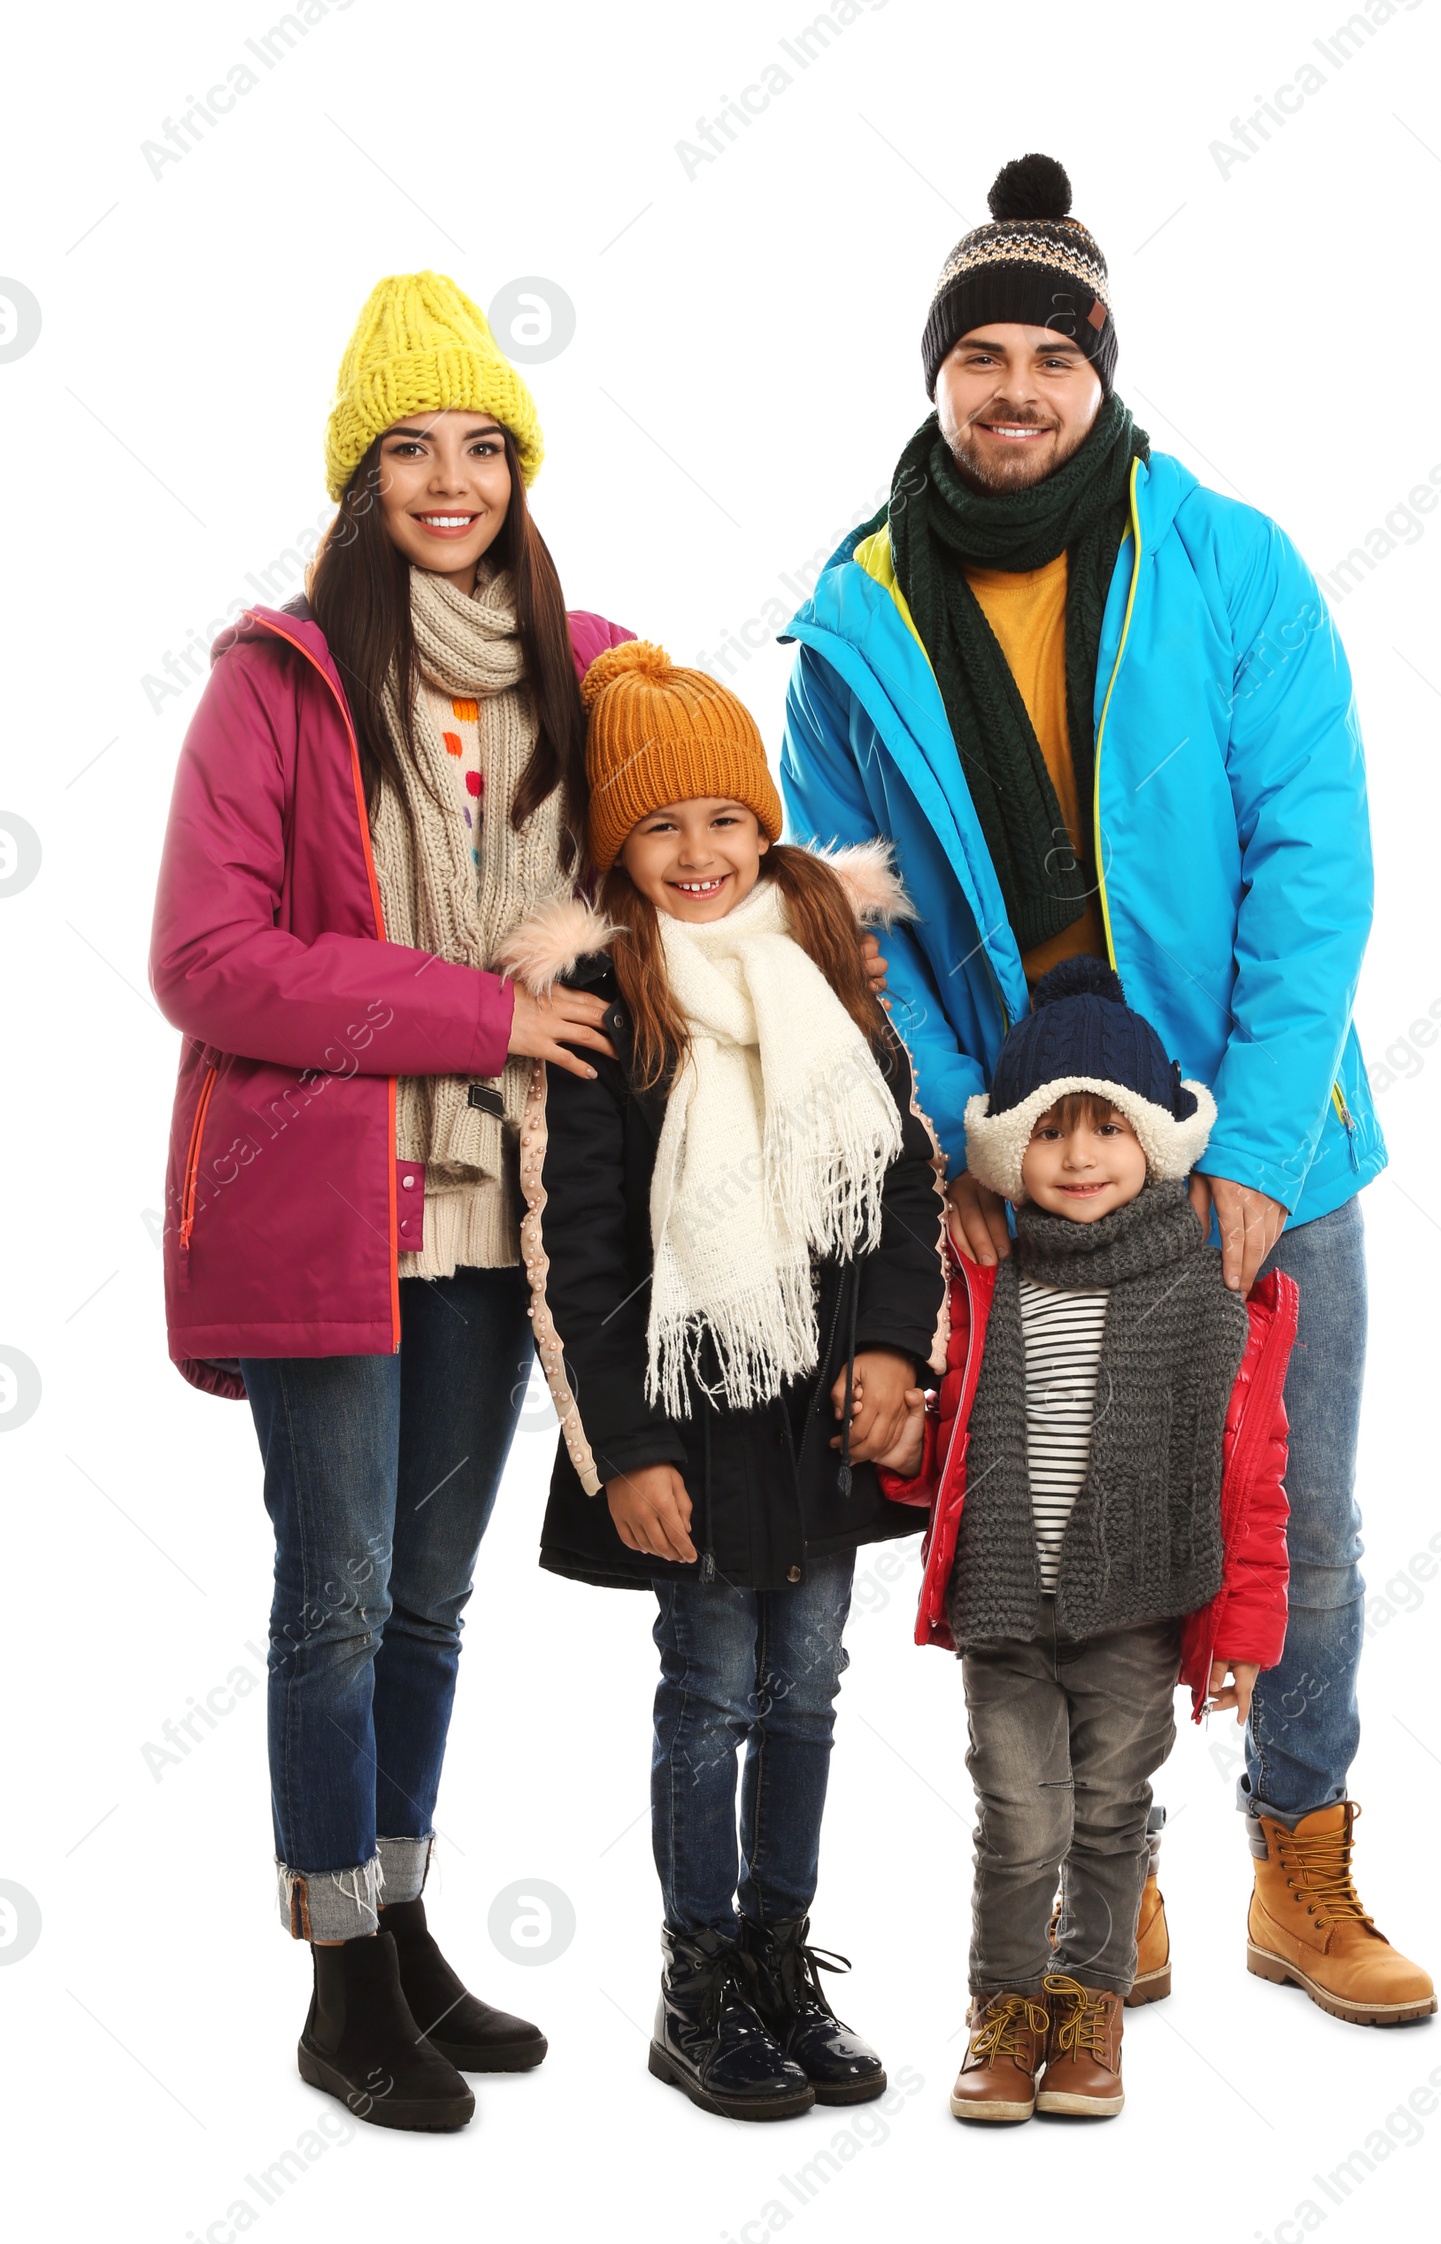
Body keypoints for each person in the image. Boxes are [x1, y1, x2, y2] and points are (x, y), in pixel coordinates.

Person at [781, 152, 1435, 2023]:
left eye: (1046, 357)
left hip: (1262, 1133)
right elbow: (854, 914)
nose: (1012, 390)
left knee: (1292, 1516)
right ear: (939, 376)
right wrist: (952, 1140)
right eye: (977, 353)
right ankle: (1108, 1866)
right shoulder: (864, 604)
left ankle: (1301, 1861)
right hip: (1030, 1153)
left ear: (1099, 369)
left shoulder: (1230, 560)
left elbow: (1317, 860)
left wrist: (1267, 1130)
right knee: (1072, 1521)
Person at [149, 272, 634, 2131]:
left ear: (521, 464)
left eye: (484, 442)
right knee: (336, 1592)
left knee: (431, 1597)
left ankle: (407, 1918)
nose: (453, 477)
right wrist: (485, 1007)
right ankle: (338, 1977)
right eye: (410, 446)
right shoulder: (276, 682)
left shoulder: (581, 670)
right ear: (359, 477)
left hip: (494, 1211)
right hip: (330, 1208)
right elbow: (210, 958)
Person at [504, 642, 943, 2120]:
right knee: (710, 1692)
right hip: (690, 1420)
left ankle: (774, 1953)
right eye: (660, 826)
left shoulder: (826, 973)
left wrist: (892, 1350)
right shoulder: (605, 994)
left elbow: (899, 1185)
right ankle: (697, 1981)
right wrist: (621, 1448)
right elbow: (568, 1244)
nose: (699, 854)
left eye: (726, 820)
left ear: (766, 828)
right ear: (618, 852)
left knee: (807, 1689)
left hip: (816, 1413)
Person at [881, 957, 1301, 2118]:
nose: (1076, 1156)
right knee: (1019, 1820)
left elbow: (1252, 1487)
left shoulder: (1207, 1292)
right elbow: (952, 1446)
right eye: (1050, 1130)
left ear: (1155, 1141)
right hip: (1005, 1608)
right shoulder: (984, 1280)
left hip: (1139, 1606)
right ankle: (1004, 2008)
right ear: (1010, 1147)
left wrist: (1246, 1631)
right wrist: (907, 1451)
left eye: (1104, 1127)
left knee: (1112, 1814)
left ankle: (1089, 2007)